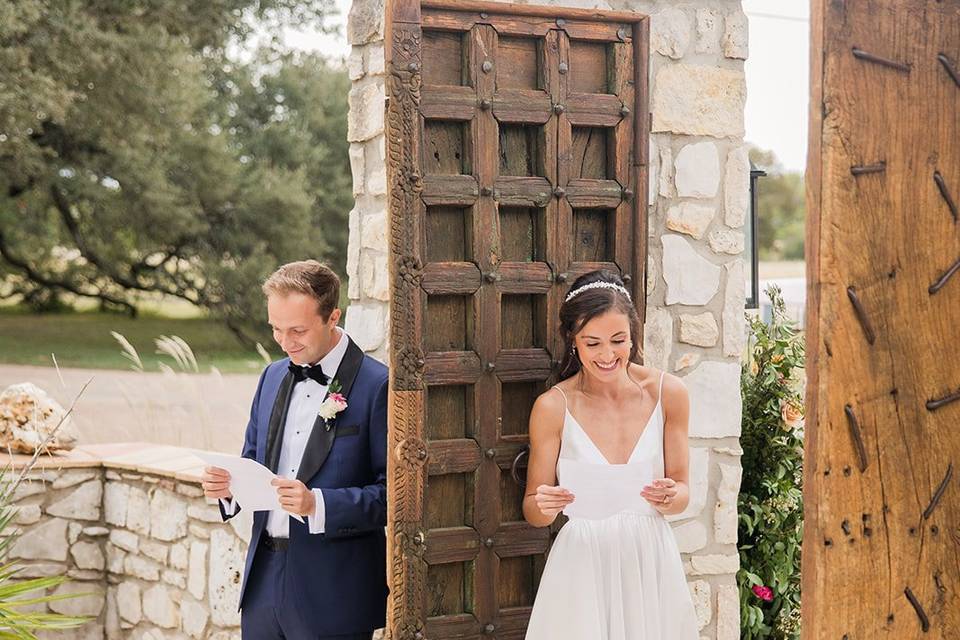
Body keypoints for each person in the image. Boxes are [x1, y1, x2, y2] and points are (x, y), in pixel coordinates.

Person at [200, 260, 388, 640]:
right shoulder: (271, 376)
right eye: (276, 329)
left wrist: (316, 504)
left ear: (332, 316)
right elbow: (252, 460)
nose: (286, 342)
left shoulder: (378, 385)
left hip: (334, 590)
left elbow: (394, 497)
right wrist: (229, 488)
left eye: (298, 330)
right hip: (264, 581)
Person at [523, 269, 699, 640]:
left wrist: (671, 496)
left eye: (619, 340)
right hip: (583, 566)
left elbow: (683, 492)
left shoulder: (670, 393)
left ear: (633, 334)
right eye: (593, 344)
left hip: (649, 562)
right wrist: (547, 504)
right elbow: (533, 511)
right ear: (574, 342)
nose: (607, 355)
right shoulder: (552, 406)